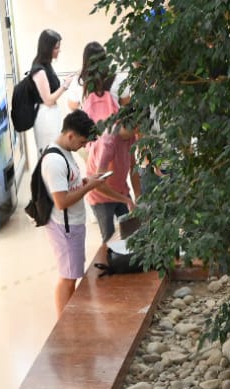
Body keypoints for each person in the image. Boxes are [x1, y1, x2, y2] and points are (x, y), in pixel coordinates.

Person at [43, 111, 121, 313]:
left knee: (72, 275)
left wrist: (86, 181)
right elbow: (61, 202)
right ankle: (63, 321)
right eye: (82, 142)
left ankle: (68, 316)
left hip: (73, 224)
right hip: (65, 227)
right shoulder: (55, 161)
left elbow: (69, 186)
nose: (84, 146)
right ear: (70, 135)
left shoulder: (65, 152)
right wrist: (89, 187)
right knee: (68, 278)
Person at [81, 43, 137, 244]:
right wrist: (126, 199)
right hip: (101, 196)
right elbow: (97, 184)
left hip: (119, 189)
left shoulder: (129, 135)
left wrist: (134, 197)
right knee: (109, 241)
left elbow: (133, 167)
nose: (131, 136)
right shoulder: (108, 142)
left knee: (130, 232)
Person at [28, 29, 74, 162]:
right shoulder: (39, 70)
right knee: (50, 155)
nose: (59, 51)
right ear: (48, 48)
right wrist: (64, 86)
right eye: (56, 48)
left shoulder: (46, 65)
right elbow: (47, 100)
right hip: (45, 117)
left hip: (50, 114)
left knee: (55, 153)